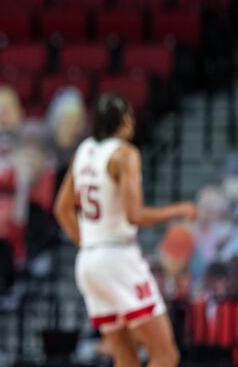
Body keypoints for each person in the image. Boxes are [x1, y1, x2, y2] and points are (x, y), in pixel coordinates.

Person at [54, 94, 197, 367]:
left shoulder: (83, 151)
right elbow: (135, 215)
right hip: (118, 256)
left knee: (126, 359)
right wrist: (178, 209)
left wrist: (88, 243)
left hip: (88, 262)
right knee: (166, 355)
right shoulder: (125, 154)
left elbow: (62, 209)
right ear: (123, 120)